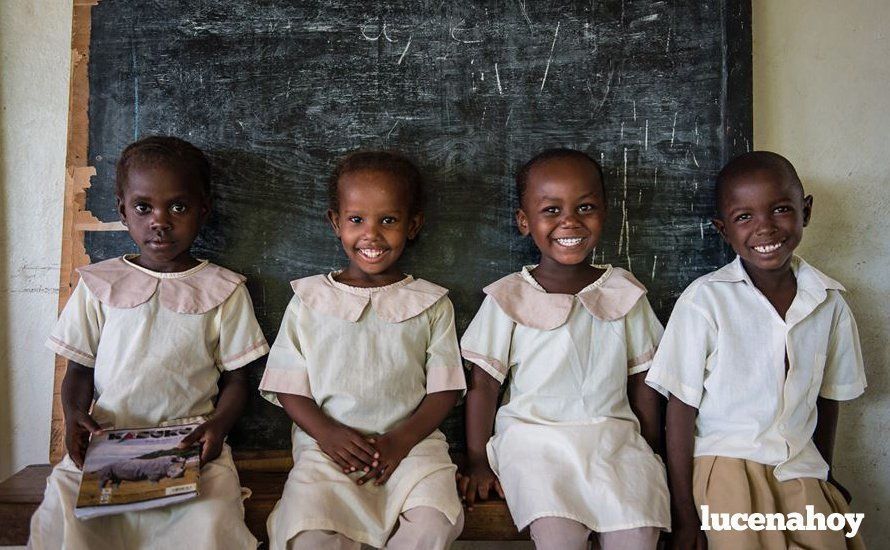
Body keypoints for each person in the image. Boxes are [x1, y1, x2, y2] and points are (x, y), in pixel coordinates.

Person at [31, 136, 268, 550]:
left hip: (191, 445)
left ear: (203, 210)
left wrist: (219, 425)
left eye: (178, 207)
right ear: (123, 211)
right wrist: (72, 417)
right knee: (69, 514)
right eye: (144, 207)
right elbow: (79, 370)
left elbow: (237, 381)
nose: (160, 220)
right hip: (108, 442)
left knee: (208, 520)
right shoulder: (99, 285)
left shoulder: (223, 290)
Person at [646, 151, 867, 550]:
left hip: (800, 467)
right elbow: (679, 412)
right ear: (722, 228)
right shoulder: (705, 301)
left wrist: (826, 474)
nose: (765, 228)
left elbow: (828, 399)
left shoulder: (829, 303)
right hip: (725, 469)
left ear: (806, 211)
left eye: (781, 210)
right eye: (744, 217)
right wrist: (684, 515)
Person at [459, 148, 670, 550]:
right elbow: (483, 386)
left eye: (585, 207)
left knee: (639, 534)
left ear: (604, 212)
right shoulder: (509, 296)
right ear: (525, 222)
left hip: (613, 438)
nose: (569, 221)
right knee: (559, 537)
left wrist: (651, 449)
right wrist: (477, 459)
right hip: (534, 441)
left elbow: (643, 381)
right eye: (551, 210)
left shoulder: (624, 292)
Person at [258, 150, 466, 550]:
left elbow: (445, 389)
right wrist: (327, 433)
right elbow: (288, 385)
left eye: (388, 220)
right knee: (310, 534)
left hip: (413, 448)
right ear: (336, 223)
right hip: (328, 449)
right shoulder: (309, 299)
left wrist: (401, 440)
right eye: (356, 220)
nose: (371, 234)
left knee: (433, 524)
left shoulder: (431, 302)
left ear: (413, 224)